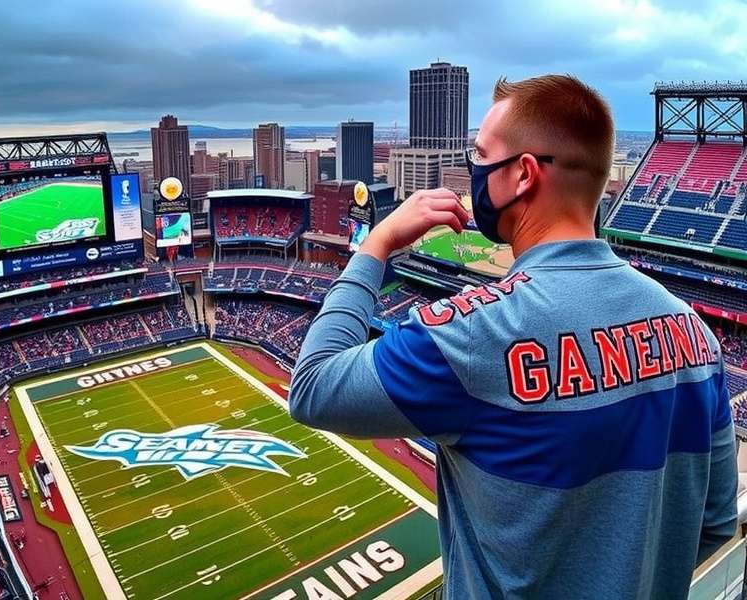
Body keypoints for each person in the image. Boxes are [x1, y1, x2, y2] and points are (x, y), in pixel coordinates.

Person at [289, 74, 738, 599]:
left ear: (523, 174)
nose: (474, 170)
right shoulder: (696, 336)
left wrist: (376, 245)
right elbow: (713, 524)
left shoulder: (474, 334)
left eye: (480, 155)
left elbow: (313, 387)